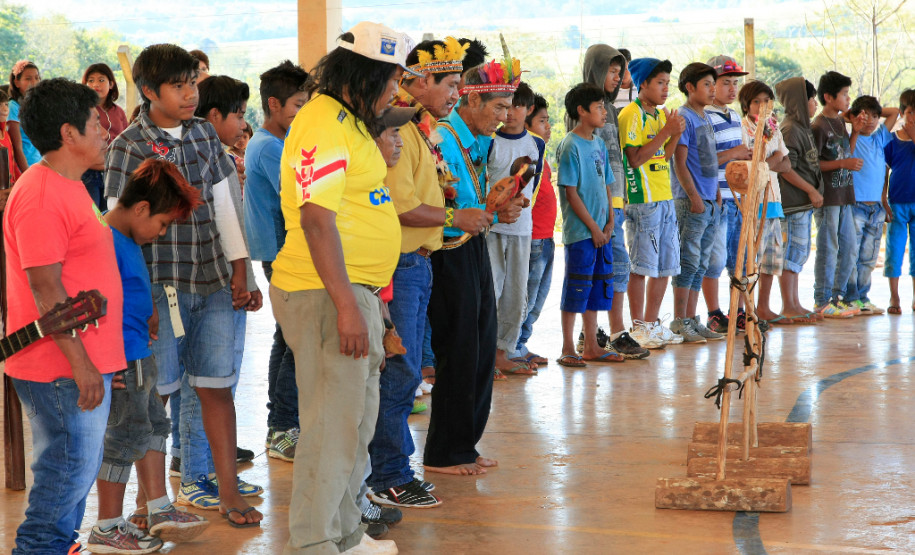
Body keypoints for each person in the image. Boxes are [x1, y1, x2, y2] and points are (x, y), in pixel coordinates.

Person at [269, 22, 417, 554]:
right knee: (332, 429)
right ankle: (313, 543)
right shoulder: (322, 123)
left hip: (358, 292)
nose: (396, 91)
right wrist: (346, 308)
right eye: (393, 79)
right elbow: (316, 218)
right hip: (327, 293)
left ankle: (347, 533)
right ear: (367, 73)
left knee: (356, 424)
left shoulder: (351, 120)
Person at [104, 43, 262, 527]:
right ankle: (149, 502)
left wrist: (240, 269)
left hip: (213, 281)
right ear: (149, 91)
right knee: (157, 395)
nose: (191, 94)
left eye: (193, 83)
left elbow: (224, 205)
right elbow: (118, 229)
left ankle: (228, 493)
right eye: (179, 86)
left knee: (217, 388)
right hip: (156, 288)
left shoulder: (203, 136)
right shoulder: (127, 145)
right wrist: (134, 300)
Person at [4, 77, 125, 554]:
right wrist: (80, 363)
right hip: (59, 369)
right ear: (68, 133)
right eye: (96, 123)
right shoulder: (40, 195)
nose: (105, 131)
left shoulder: (66, 185)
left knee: (72, 480)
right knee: (61, 488)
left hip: (77, 364)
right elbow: (45, 286)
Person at [370, 37, 487, 509]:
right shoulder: (400, 133)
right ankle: (390, 474)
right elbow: (400, 208)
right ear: (419, 82)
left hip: (418, 263)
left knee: (407, 372)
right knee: (398, 374)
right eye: (451, 84)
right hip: (401, 263)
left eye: (461, 83)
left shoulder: (423, 131)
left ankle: (394, 468)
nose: (457, 93)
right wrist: (455, 218)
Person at [89, 158, 209, 554]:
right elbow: (95, 307)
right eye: (163, 223)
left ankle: (158, 506)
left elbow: (129, 290)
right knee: (124, 438)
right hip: (123, 358)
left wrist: (149, 312)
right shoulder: (104, 239)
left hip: (140, 351)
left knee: (156, 425)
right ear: (141, 209)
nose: (162, 232)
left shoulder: (128, 238)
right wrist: (109, 364)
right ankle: (107, 525)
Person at [424, 57, 523, 477]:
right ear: (472, 100)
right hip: (448, 252)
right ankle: (443, 452)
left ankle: (465, 443)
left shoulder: (476, 139)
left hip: (473, 244)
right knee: (460, 349)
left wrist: (498, 211)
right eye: (499, 108)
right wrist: (465, 216)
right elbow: (436, 205)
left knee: (481, 347)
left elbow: (472, 204)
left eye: (509, 108)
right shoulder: (443, 137)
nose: (506, 117)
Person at [192, 72, 263, 472]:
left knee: (218, 383)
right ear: (216, 115)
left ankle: (205, 466)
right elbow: (227, 226)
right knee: (206, 386)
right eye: (238, 115)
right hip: (213, 284)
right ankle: (195, 470)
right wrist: (246, 281)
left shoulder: (220, 155)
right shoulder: (211, 157)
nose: (241, 125)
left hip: (226, 282)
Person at [243, 60, 311, 462]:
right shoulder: (269, 146)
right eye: (299, 104)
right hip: (282, 250)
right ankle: (282, 427)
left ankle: (284, 423)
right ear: (274, 103)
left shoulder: (276, 142)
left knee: (287, 337)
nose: (303, 112)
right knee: (295, 339)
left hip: (284, 248)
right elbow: (299, 193)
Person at [578, 43, 652, 357]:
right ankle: (593, 334)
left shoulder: (608, 107)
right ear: (596, 69)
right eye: (610, 70)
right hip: (598, 204)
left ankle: (610, 331)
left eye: (619, 71)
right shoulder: (585, 105)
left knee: (615, 266)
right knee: (599, 268)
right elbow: (588, 160)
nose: (616, 77)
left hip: (615, 201)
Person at [618, 58, 685, 347]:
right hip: (642, 200)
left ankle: (652, 323)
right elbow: (635, 159)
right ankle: (637, 327)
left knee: (666, 266)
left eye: (668, 83)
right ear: (642, 84)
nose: (665, 88)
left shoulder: (659, 116)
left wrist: (675, 133)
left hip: (664, 197)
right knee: (642, 265)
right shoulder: (630, 114)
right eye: (660, 82)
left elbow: (664, 157)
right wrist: (666, 132)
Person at [555, 82, 622, 368]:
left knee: (598, 288)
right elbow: (571, 192)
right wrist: (594, 229)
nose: (604, 112)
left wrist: (609, 221)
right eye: (598, 107)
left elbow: (607, 184)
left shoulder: (599, 142)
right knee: (577, 288)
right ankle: (569, 346)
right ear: (582, 111)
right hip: (582, 233)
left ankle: (592, 345)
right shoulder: (570, 145)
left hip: (602, 231)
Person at [487, 81, 544, 376]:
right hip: (491, 229)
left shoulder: (536, 144)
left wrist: (521, 204)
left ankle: (502, 353)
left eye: (517, 107)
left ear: (529, 109)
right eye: (505, 107)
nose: (510, 113)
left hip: (522, 229)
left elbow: (531, 186)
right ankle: (484, 355)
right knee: (490, 291)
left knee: (515, 294)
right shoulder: (489, 141)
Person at [669, 62, 725, 343]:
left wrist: (714, 191)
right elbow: (679, 162)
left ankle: (692, 319)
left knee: (701, 263)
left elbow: (710, 162)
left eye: (713, 84)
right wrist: (694, 197)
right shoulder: (685, 117)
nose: (712, 89)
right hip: (691, 202)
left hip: (709, 200)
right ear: (690, 88)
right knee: (687, 262)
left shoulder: (705, 117)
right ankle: (679, 321)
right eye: (706, 84)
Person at [701, 56, 751, 333]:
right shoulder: (705, 116)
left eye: (735, 83)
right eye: (725, 83)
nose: (732, 89)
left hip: (738, 198)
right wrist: (734, 154)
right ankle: (713, 312)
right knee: (715, 259)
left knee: (739, 258)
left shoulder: (733, 116)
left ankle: (739, 310)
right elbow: (705, 159)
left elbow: (738, 154)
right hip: (718, 196)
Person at [737, 80, 792, 324]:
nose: (761, 106)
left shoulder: (774, 127)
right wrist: (770, 160)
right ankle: (745, 309)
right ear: (746, 104)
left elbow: (786, 161)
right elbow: (748, 162)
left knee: (771, 259)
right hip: (752, 202)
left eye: (766, 101)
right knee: (750, 260)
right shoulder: (742, 128)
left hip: (773, 200)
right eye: (756, 101)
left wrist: (765, 165)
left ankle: (764, 307)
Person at [811, 71, 861, 318]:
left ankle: (837, 297)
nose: (847, 98)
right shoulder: (818, 125)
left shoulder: (841, 121)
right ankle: (822, 299)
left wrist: (855, 132)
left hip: (844, 194)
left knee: (850, 246)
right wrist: (843, 164)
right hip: (828, 197)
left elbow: (843, 155)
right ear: (828, 97)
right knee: (828, 247)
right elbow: (814, 164)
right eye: (843, 94)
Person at [775, 77, 825, 323]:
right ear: (798, 103)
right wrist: (811, 190)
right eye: (811, 100)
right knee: (791, 253)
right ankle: (788, 304)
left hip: (802, 204)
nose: (815, 105)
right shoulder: (790, 129)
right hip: (793, 203)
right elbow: (787, 169)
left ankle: (794, 303)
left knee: (799, 252)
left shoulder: (802, 127)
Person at [513, 93, 557, 365]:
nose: (548, 126)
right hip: (533, 238)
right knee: (525, 298)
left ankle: (522, 343)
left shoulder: (541, 155)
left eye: (548, 120)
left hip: (547, 237)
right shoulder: (525, 156)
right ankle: (512, 346)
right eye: (542, 121)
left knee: (538, 299)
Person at [847, 95, 898, 315]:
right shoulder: (852, 137)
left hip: (875, 207)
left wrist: (873, 112)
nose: (870, 121)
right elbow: (843, 118)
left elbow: (894, 111)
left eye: (875, 117)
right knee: (852, 253)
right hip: (855, 205)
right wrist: (856, 120)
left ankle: (862, 297)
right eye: (864, 116)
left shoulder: (879, 137)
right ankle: (849, 297)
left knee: (868, 257)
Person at [883, 89, 915, 314]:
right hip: (896, 203)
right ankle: (894, 297)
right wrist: (883, 199)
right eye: (911, 112)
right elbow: (883, 171)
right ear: (903, 113)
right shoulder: (892, 141)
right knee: (894, 250)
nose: (914, 117)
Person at [82, 63, 130, 210]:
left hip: (114, 171)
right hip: (90, 171)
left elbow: (126, 139)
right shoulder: (83, 110)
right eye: (91, 80)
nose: (96, 84)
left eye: (101, 80)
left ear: (111, 84)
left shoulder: (119, 111)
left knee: (110, 215)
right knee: (93, 216)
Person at [8, 60, 41, 171]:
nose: (34, 82)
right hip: (25, 167)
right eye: (28, 79)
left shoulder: (37, 105)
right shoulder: (13, 106)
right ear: (17, 82)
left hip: (40, 164)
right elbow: (17, 148)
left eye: (37, 78)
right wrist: (27, 174)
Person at [0, 88, 21, 186]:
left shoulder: (6, 134)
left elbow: (12, 163)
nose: (5, 109)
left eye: (6, 104)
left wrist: (20, 182)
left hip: (10, 186)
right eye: (0, 105)